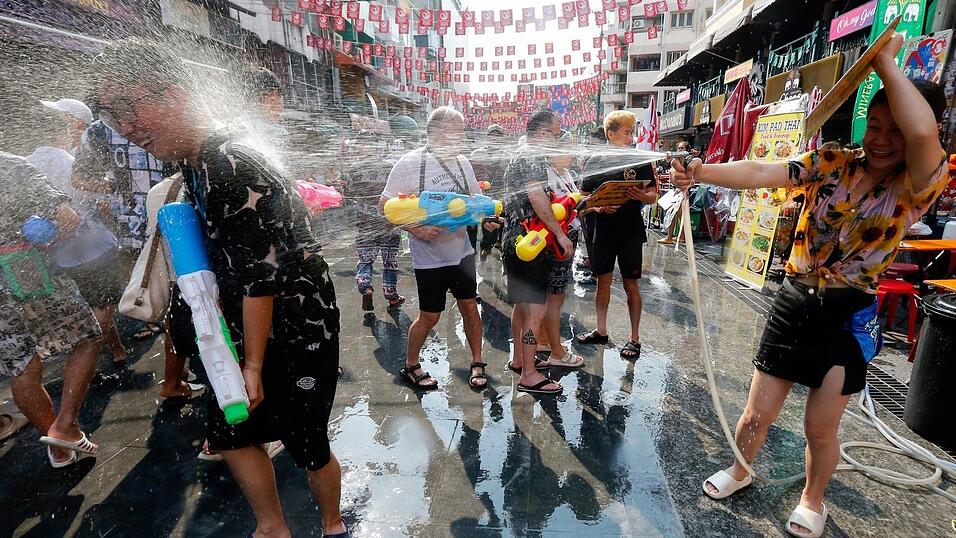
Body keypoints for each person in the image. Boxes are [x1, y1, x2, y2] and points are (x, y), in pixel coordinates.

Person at [670, 35, 948, 538]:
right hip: (794, 301)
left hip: (848, 316)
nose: (881, 139)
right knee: (758, 411)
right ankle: (740, 468)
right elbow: (761, 170)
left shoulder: (917, 185)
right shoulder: (832, 161)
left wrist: (883, 63)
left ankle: (812, 499)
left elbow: (925, 133)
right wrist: (700, 171)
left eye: (895, 130)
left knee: (820, 428)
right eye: (874, 125)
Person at [96, 39, 348, 537]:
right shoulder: (194, 159)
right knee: (232, 432)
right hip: (235, 324)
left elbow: (261, 275)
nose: (126, 128)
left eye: (131, 107)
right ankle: (271, 528)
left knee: (306, 441)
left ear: (177, 93)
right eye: (112, 115)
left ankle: (333, 525)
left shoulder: (231, 159)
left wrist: (250, 365)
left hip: (294, 324)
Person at [0, 151, 103, 468]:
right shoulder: (11, 165)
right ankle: (65, 425)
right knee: (87, 338)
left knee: (21, 365)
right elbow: (69, 218)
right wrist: (49, 238)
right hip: (26, 268)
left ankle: (58, 447)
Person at [379, 106, 486, 391]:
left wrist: (486, 217)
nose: (463, 136)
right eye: (459, 131)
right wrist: (416, 229)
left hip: (462, 252)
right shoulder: (409, 163)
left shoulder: (463, 162)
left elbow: (474, 200)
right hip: (428, 258)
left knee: (469, 308)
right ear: (440, 132)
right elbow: (385, 207)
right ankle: (411, 365)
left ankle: (477, 362)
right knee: (430, 316)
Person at [27, 98, 130, 368]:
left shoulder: (26, 166)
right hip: (93, 246)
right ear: (61, 132)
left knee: (90, 305)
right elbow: (97, 204)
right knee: (103, 307)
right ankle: (88, 360)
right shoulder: (71, 163)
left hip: (59, 254)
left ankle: (116, 350)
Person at [575, 111, 658, 360]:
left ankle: (635, 338)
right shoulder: (595, 161)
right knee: (603, 282)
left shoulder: (639, 159)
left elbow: (654, 195)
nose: (631, 136)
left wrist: (642, 197)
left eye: (632, 131)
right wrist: (598, 206)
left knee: (631, 284)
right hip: (602, 229)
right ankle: (601, 330)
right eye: (626, 132)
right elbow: (582, 200)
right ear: (610, 134)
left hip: (631, 229)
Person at [500, 110, 570, 395]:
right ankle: (529, 374)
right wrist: (560, 234)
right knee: (536, 311)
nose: (557, 140)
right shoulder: (532, 157)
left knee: (521, 306)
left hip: (513, 242)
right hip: (531, 244)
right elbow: (537, 196)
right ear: (542, 134)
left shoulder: (520, 154)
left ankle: (519, 360)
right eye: (555, 134)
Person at [536, 131, 585, 369]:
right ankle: (557, 352)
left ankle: (545, 341)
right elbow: (553, 210)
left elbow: (571, 204)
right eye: (568, 149)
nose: (572, 154)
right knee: (554, 297)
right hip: (555, 243)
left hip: (567, 238)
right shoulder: (546, 174)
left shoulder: (566, 173)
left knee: (555, 295)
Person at [345, 131, 404, 311]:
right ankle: (391, 294)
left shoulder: (354, 169)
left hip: (365, 224)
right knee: (390, 261)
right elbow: (399, 192)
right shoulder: (390, 167)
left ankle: (366, 286)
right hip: (389, 222)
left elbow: (349, 194)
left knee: (365, 260)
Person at [470, 124, 509, 263]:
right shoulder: (478, 154)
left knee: (503, 226)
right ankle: (485, 247)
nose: (495, 138)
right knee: (488, 228)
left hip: (503, 198)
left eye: (498, 135)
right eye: (492, 135)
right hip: (485, 198)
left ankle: (500, 246)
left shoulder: (507, 155)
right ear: (488, 137)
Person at [657, 140, 693, 245]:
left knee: (681, 214)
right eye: (679, 148)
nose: (680, 150)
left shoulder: (687, 161)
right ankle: (670, 236)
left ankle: (680, 237)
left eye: (682, 148)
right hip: (675, 191)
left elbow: (687, 174)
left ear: (687, 150)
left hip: (683, 190)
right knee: (672, 213)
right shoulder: (675, 161)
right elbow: (681, 172)